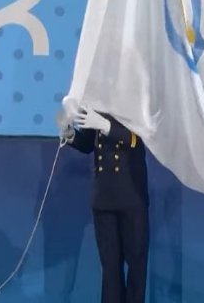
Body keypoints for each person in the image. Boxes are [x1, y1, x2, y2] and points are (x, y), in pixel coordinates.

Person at [58, 104, 149, 303]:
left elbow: (136, 140)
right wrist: (70, 133)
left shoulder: (137, 98)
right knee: (110, 269)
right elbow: (89, 144)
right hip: (103, 196)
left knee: (136, 265)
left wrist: (106, 126)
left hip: (131, 195)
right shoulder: (96, 102)